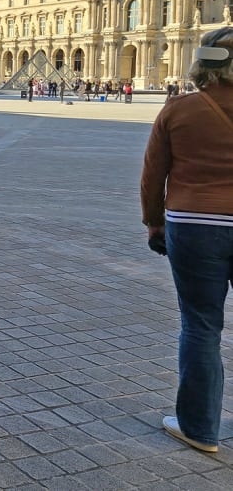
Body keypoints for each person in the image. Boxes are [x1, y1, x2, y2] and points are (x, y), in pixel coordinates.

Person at [141, 27, 233, 454]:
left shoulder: (178, 110)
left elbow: (152, 176)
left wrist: (154, 225)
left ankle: (199, 427)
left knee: (200, 326)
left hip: (194, 224)